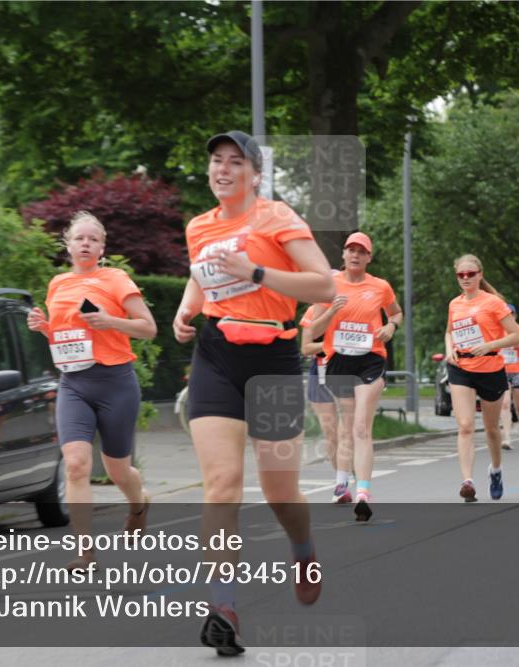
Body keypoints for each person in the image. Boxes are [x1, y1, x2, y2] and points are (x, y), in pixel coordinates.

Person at [172, 131, 334, 656]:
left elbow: (324, 285)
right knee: (221, 484)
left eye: (235, 162)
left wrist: (258, 272)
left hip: (273, 361)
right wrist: (186, 308)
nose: (222, 169)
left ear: (255, 175)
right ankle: (224, 608)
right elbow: (202, 276)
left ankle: (303, 550)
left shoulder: (277, 217)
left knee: (279, 492)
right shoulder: (199, 226)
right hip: (216, 355)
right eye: (216, 161)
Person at [27, 211, 156, 570]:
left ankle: (138, 504)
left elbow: (148, 328)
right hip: (74, 384)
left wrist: (109, 321)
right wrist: (45, 328)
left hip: (115, 383)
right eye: (79, 238)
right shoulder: (57, 284)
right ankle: (85, 552)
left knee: (119, 472)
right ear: (68, 245)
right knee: (76, 465)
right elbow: (66, 337)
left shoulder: (115, 279)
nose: (85, 244)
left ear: (102, 248)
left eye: (93, 239)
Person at [306, 232, 401, 521]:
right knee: (348, 426)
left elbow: (396, 313)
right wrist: (331, 312)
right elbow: (312, 332)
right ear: (344, 255)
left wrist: (391, 327)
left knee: (361, 427)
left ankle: (363, 493)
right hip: (339, 363)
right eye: (351, 250)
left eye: (361, 251)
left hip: (370, 360)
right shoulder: (329, 286)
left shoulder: (380, 286)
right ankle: (342, 482)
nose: (356, 255)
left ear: (369, 257)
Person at [444, 254, 519, 502]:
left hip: (490, 368)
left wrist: (489, 345)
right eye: (461, 275)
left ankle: (496, 470)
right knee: (465, 425)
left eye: (470, 274)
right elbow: (449, 332)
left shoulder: (494, 302)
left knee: (491, 429)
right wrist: (449, 349)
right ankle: (467, 481)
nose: (465, 278)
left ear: (480, 275)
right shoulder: (454, 304)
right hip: (461, 368)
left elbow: (516, 336)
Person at [299, 303, 344, 501]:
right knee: (330, 432)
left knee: (350, 430)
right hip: (320, 371)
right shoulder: (313, 311)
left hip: (348, 370)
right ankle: (341, 482)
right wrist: (333, 344)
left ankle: (352, 473)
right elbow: (306, 348)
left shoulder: (351, 307)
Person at [498, 304, 519, 449]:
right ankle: (507, 438)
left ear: (515, 316)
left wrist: (516, 341)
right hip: (502, 370)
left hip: (518, 370)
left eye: (510, 314)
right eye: (505, 314)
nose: (508, 317)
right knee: (505, 404)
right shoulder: (498, 330)